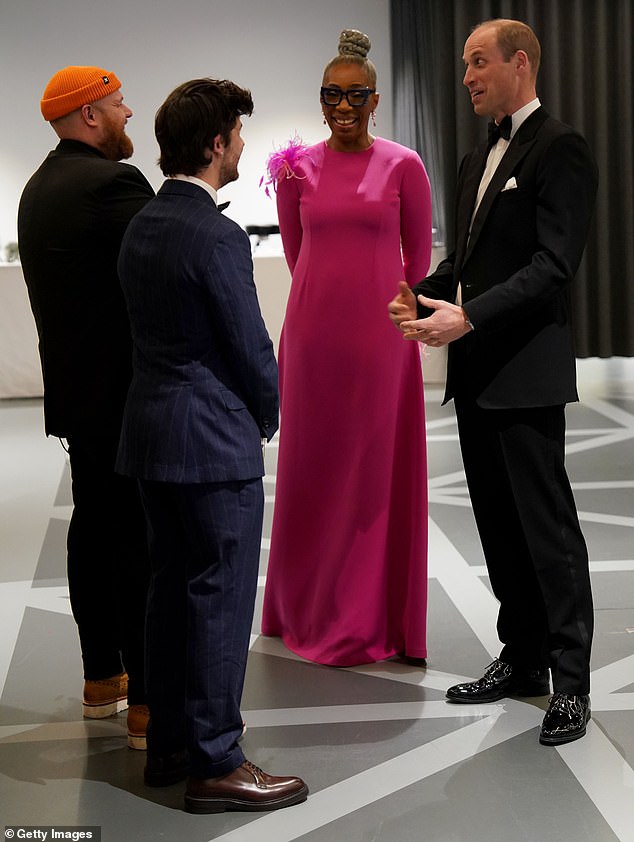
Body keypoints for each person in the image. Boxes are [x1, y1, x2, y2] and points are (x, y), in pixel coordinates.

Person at [389, 19, 597, 746]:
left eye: (480, 62)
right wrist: (421, 294)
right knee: (498, 528)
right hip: (477, 374)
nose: (469, 75)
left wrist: (468, 317)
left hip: (527, 372)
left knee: (548, 531)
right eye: (465, 64)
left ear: (520, 63)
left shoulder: (559, 146)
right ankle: (524, 659)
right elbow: (473, 264)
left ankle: (571, 682)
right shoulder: (478, 154)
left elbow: (552, 267)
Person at [115, 78, 308, 813]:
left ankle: (169, 744)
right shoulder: (218, 235)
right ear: (216, 142)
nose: (243, 144)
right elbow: (250, 345)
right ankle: (219, 761)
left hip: (151, 436)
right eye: (237, 132)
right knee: (218, 601)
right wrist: (268, 413)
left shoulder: (142, 223)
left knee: (169, 595)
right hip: (212, 440)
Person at [261, 29, 432, 667]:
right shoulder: (295, 169)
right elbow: (299, 253)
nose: (342, 104)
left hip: (380, 340)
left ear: (375, 98)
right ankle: (303, 604)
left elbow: (417, 259)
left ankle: (367, 615)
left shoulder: (404, 165)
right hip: (312, 339)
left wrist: (399, 309)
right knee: (312, 470)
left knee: (371, 475)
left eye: (354, 94)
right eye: (331, 93)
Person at [18, 66, 153, 749]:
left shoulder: (37, 186)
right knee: (139, 542)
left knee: (92, 530)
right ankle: (149, 706)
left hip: (78, 400)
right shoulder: (113, 184)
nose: (130, 112)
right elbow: (163, 269)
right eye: (120, 104)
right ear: (93, 116)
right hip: (128, 399)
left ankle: (102, 677)